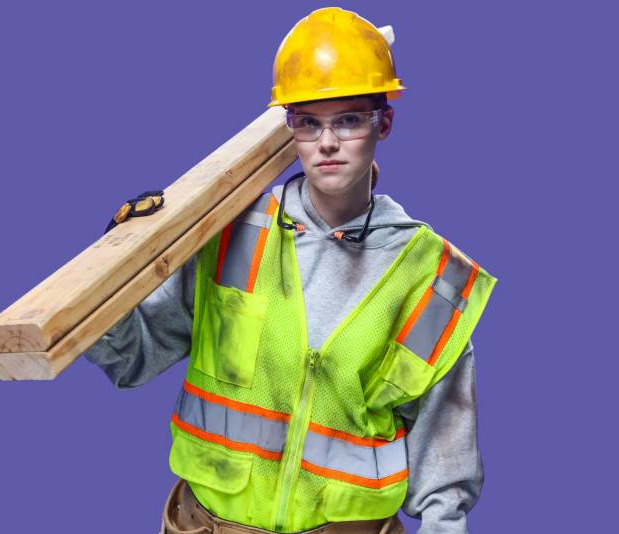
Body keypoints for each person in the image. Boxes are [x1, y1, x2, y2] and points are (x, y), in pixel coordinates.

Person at [86, 7, 496, 534]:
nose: (327, 143)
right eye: (309, 122)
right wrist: (110, 280)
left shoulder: (429, 278)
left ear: (384, 123)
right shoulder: (229, 233)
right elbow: (132, 358)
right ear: (291, 129)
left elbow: (445, 472)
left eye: (348, 119)